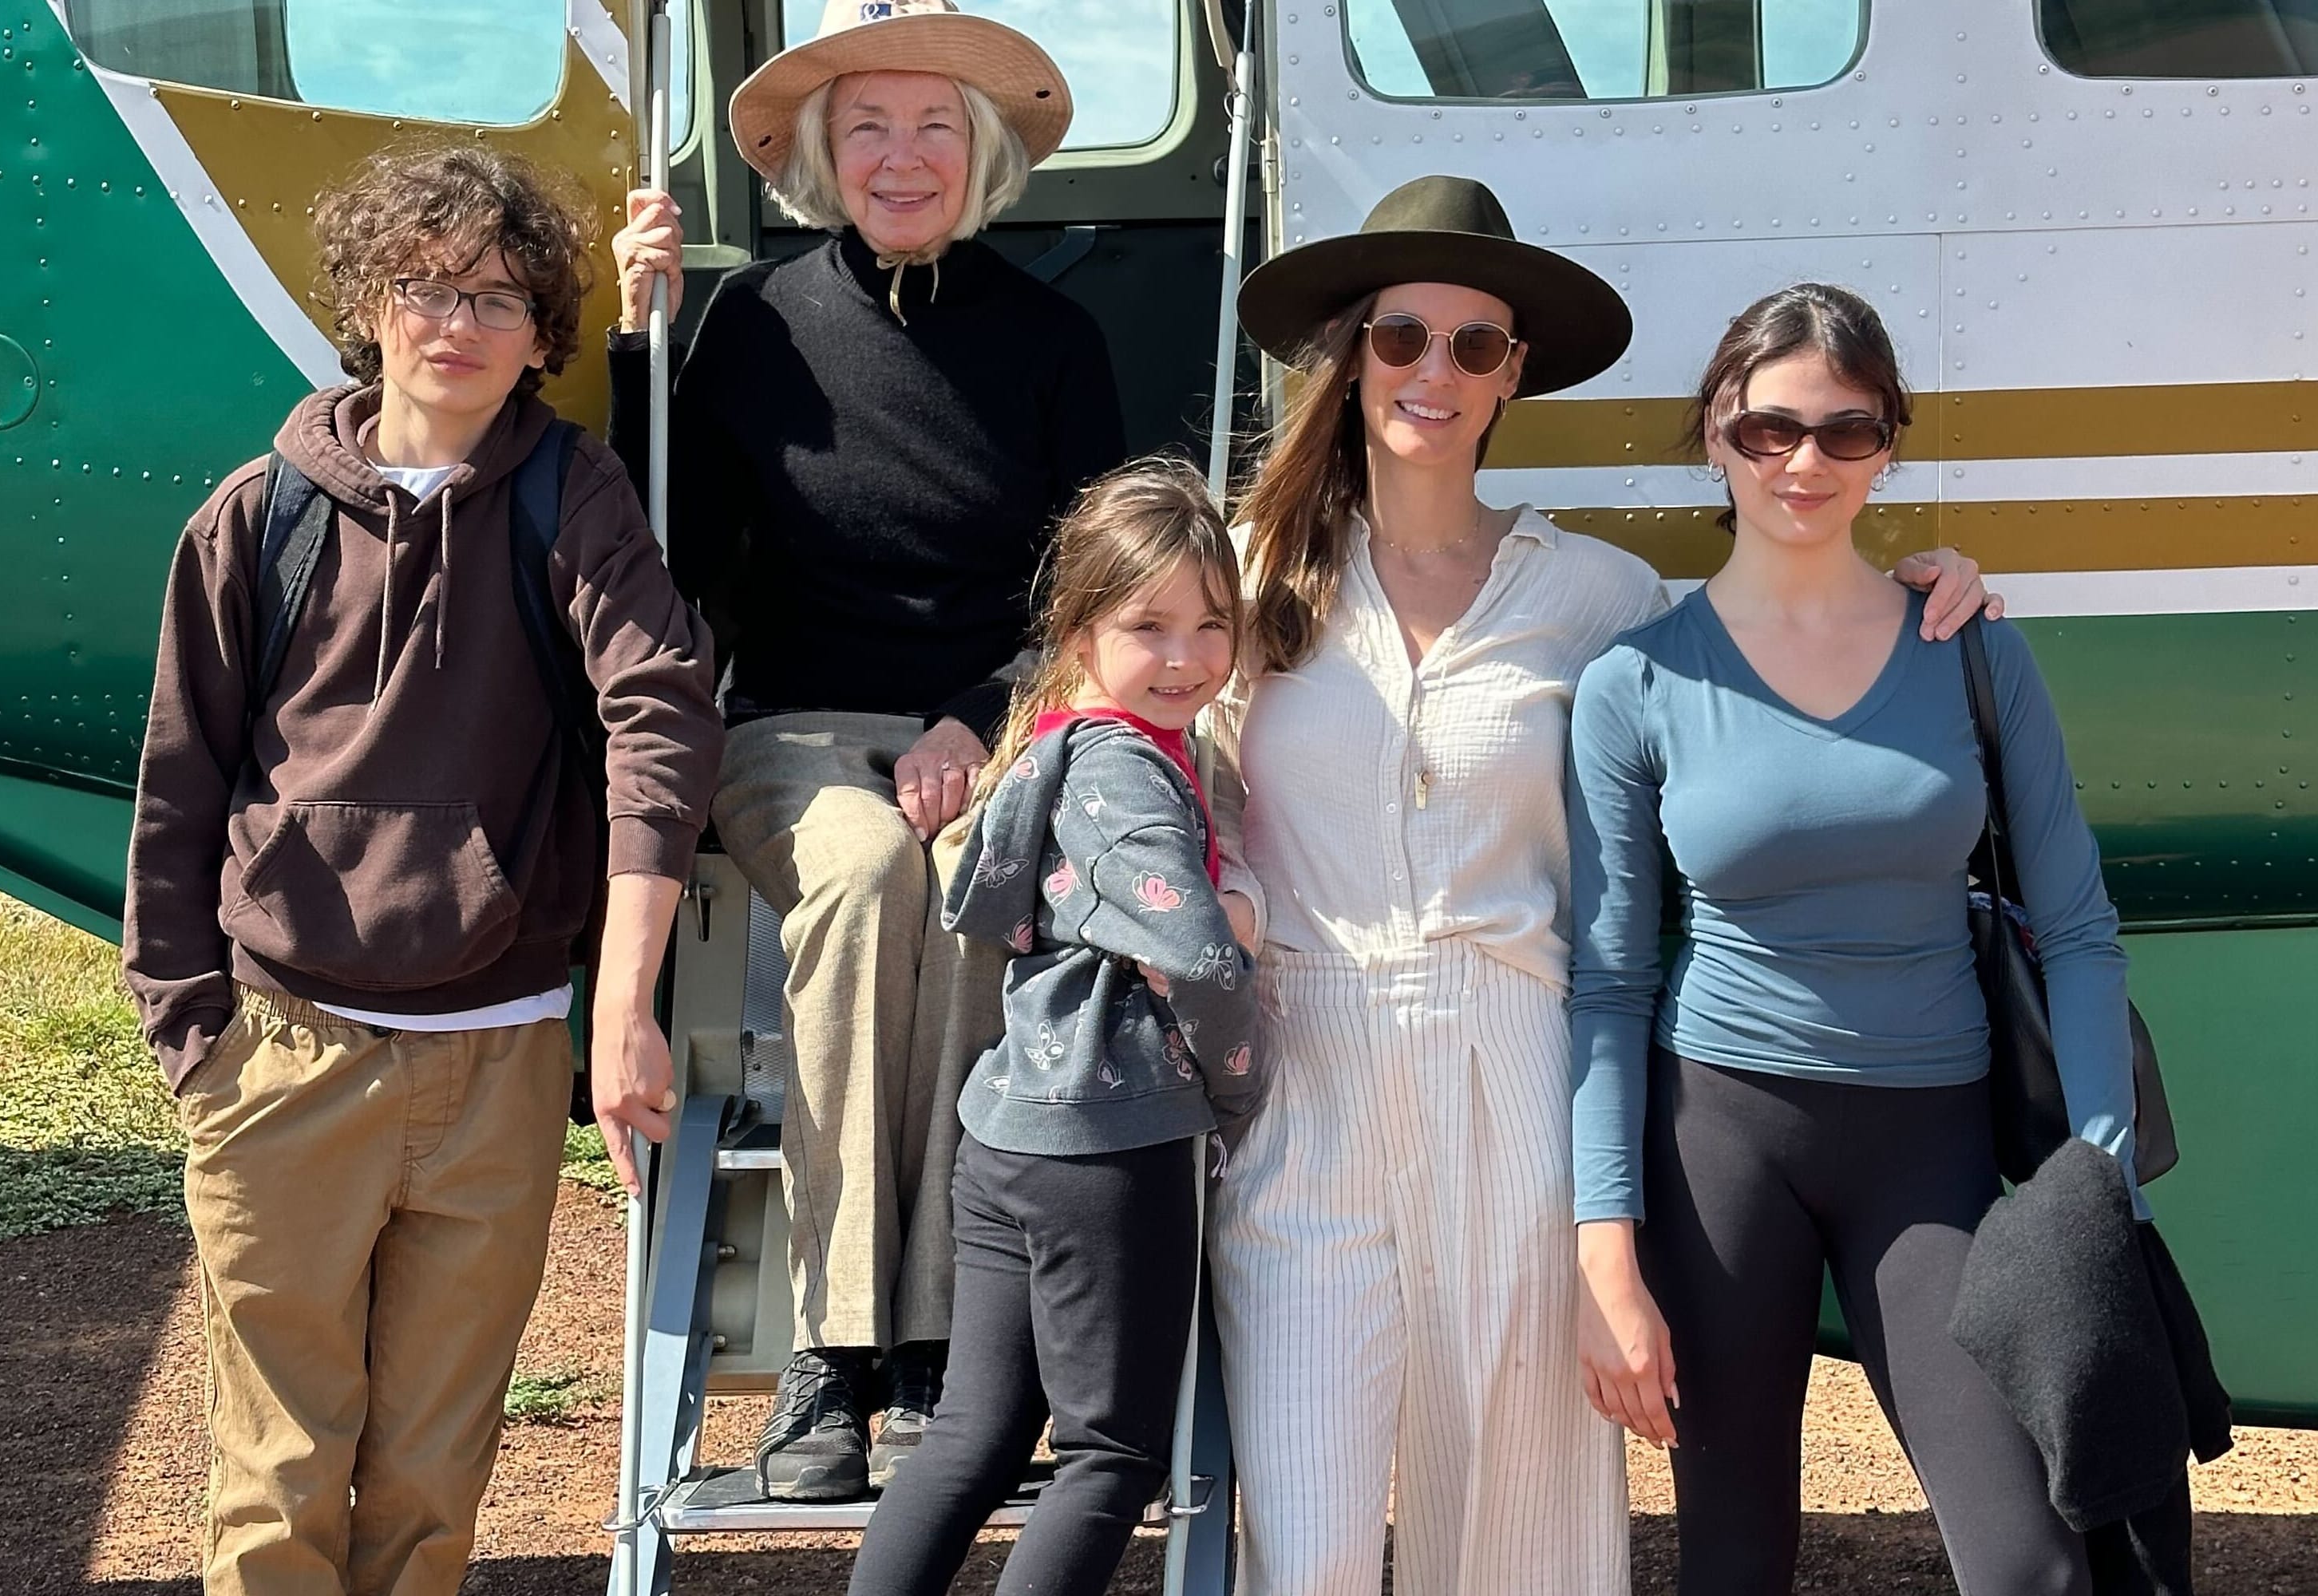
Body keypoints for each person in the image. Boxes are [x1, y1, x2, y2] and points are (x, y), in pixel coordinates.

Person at [1204, 177, 1999, 1596]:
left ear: (1515, 376)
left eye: (1475, 345)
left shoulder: (1601, 599)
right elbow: (1107, 733)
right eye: (1401, 337)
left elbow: (1782, 640)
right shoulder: (1247, 575)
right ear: (1349, 354)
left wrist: (1930, 582)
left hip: (1520, 1067)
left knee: (1519, 1542)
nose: (1434, 373)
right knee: (1308, 1538)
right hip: (1304, 1075)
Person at [120, 144, 721, 1596]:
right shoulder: (256, 518)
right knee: (275, 1478)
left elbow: (658, 714)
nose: (459, 322)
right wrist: (191, 1032)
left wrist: (620, 1005)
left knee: (434, 1480)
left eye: (501, 298)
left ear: (541, 337)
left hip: (495, 1061)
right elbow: (179, 785)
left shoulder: (570, 497)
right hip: (282, 1054)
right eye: (426, 287)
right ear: (371, 305)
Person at [607, 0, 1127, 1499]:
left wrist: (980, 718)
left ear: (982, 160)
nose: (904, 155)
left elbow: (1088, 590)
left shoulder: (1054, 339)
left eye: (935, 127)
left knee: (975, 876)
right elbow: (686, 549)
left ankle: (946, 1353)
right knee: (858, 878)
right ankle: (832, 1355)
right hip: (798, 730)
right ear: (825, 158)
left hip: (1002, 711)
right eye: (870, 127)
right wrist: (640, 348)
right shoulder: (753, 323)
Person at [1566, 282, 2138, 1596]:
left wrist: (2101, 1179)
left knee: (2029, 1560)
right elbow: (1605, 984)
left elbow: (2080, 927)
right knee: (1729, 1554)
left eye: (1844, 431)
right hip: (1718, 1136)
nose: (1803, 462)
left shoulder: (1975, 650)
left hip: (1928, 1139)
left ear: (1890, 446)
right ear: (1715, 435)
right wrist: (1606, 1242)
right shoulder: (1638, 680)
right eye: (1769, 430)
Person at [845, 456, 1264, 1596]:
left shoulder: (1060, 747)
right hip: (1110, 1143)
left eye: (1212, 625)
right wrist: (1240, 1087)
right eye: (1150, 627)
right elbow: (1197, 962)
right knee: (1109, 1452)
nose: (1185, 658)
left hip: (1011, 1131)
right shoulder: (1128, 770)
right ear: (1080, 632)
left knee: (975, 1435)